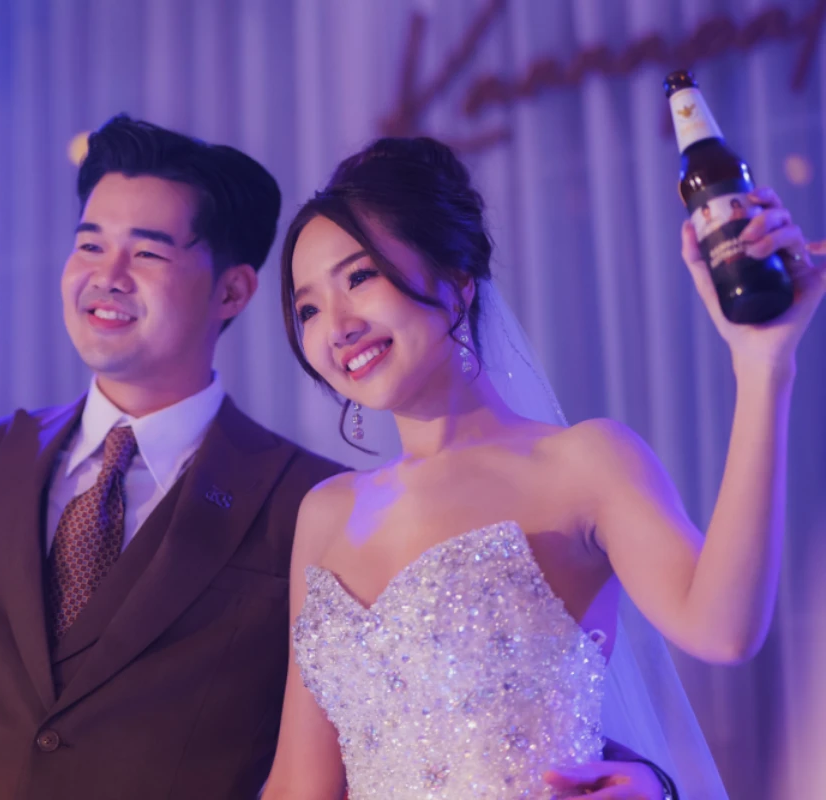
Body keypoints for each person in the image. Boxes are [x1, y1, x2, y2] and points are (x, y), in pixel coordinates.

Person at [0, 117, 676, 799]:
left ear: (233, 291)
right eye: (90, 242)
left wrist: (648, 785)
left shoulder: (315, 505)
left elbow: (476, 690)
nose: (105, 273)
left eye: (148, 250)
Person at [263, 136, 822, 799]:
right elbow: (299, 785)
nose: (337, 326)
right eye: (307, 308)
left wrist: (763, 365)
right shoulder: (325, 513)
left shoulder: (582, 464)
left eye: (359, 278)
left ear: (457, 281)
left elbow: (724, 630)